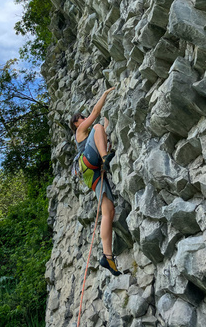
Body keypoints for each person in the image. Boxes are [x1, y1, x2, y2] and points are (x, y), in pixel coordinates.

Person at [70, 87, 121, 276]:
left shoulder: (90, 135)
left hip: (92, 175)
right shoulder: (81, 131)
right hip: (90, 163)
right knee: (98, 126)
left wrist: (107, 115)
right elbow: (96, 115)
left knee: (108, 210)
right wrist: (105, 95)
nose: (85, 119)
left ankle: (108, 256)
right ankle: (106, 158)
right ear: (77, 122)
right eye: (81, 118)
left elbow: (104, 130)